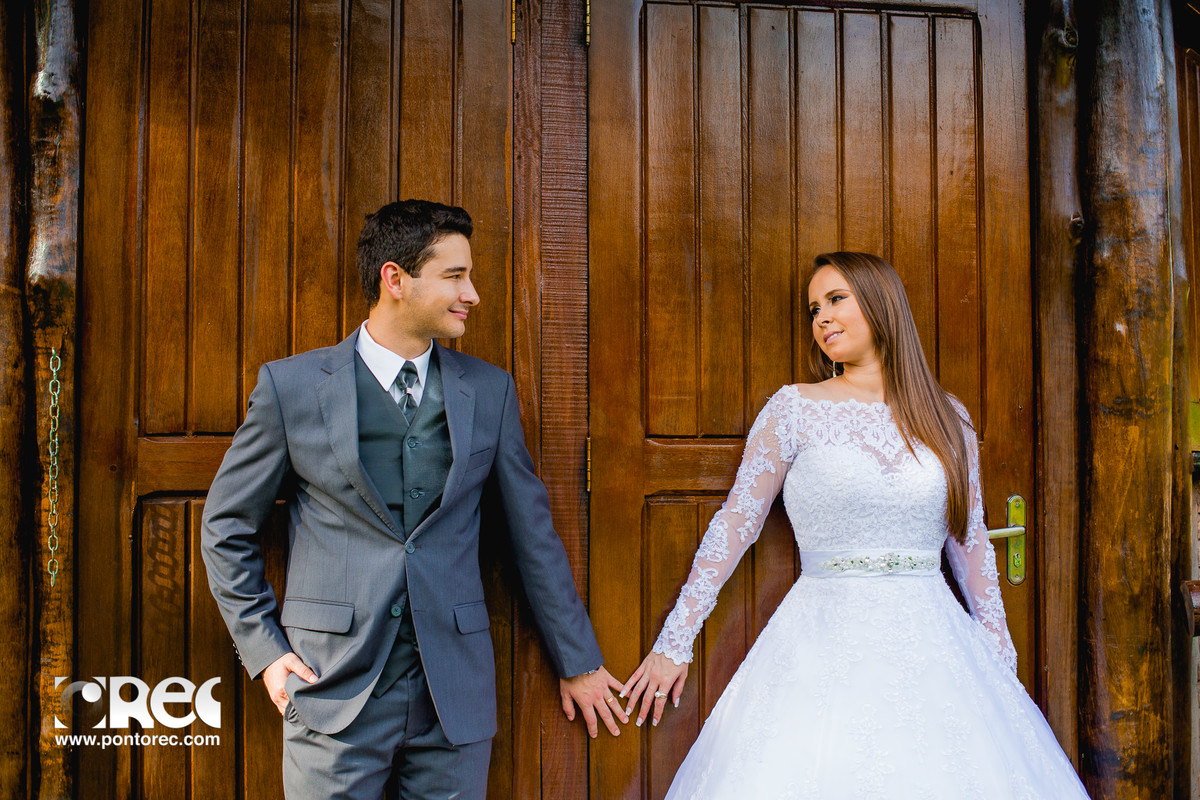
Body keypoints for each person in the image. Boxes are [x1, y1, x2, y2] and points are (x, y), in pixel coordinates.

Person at [201, 199, 628, 800]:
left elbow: (531, 536)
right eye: (455, 276)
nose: (472, 293)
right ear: (395, 279)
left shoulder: (489, 391)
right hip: (331, 690)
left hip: (452, 696)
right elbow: (225, 527)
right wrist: (266, 651)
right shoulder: (290, 388)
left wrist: (577, 659)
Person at [621, 252, 1090, 798]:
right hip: (821, 636)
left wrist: (1000, 658)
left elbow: (971, 539)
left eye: (836, 299)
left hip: (935, 645)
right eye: (813, 308)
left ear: (882, 304)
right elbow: (736, 523)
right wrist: (675, 640)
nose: (821, 317)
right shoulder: (793, 409)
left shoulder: (948, 416)